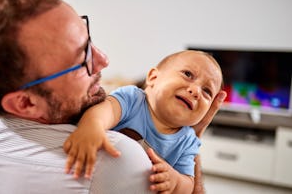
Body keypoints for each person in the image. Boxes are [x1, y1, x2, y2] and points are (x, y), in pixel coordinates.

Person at [0, 0, 226, 193]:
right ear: (26, 102)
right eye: (81, 59)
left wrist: (188, 136)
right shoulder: (117, 159)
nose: (104, 60)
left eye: (88, 39)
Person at [64, 50, 223, 193]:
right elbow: (107, 111)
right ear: (153, 77)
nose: (196, 91)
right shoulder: (133, 99)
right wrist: (93, 126)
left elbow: (189, 183)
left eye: (207, 91)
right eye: (188, 74)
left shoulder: (188, 140)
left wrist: (174, 180)